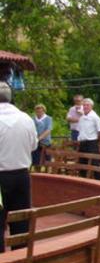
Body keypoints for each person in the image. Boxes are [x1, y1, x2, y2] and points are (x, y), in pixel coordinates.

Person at [0, 82, 38, 252]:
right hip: (21, 176)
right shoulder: (26, 118)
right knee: (21, 222)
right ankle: (20, 261)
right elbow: (33, 146)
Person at [77, 98, 100, 179]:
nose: (85, 107)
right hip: (82, 143)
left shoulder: (95, 117)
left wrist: (98, 143)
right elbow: (80, 130)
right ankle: (83, 180)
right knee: (82, 164)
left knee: (95, 164)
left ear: (91, 106)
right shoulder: (81, 118)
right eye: (84, 105)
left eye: (87, 105)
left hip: (92, 143)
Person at [31, 104, 53, 169]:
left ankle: (46, 173)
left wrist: (39, 138)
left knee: (46, 159)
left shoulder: (48, 119)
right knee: (35, 160)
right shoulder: (33, 119)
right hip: (35, 142)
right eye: (37, 111)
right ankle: (36, 173)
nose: (39, 113)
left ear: (44, 111)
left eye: (40, 111)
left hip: (45, 142)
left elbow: (48, 130)